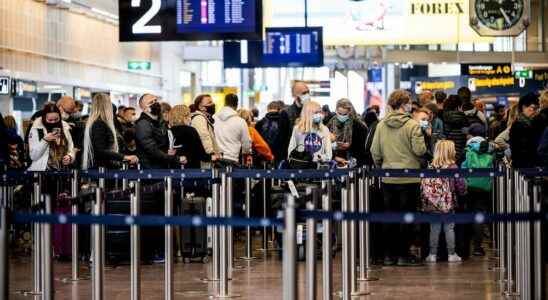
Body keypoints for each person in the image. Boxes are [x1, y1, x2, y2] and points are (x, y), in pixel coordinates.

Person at [370, 90, 427, 266]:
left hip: (388, 178)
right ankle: (403, 255)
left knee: (390, 217)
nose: (411, 105)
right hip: (409, 179)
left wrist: (383, 165)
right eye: (409, 102)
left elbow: (375, 152)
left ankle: (388, 255)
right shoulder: (412, 125)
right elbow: (420, 151)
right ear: (404, 105)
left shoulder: (380, 125)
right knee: (407, 218)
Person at [422, 140, 466, 263]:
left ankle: (432, 254)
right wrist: (463, 193)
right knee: (449, 228)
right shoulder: (453, 167)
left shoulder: (431, 166)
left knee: (434, 229)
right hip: (448, 202)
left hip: (432, 202)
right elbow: (460, 186)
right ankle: (451, 254)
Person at [81, 93, 138, 170]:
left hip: (103, 167)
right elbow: (100, 151)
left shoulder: (99, 122)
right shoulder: (99, 123)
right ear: (106, 105)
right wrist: (124, 157)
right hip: (102, 169)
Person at [462, 123, 494, 256]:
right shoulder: (490, 148)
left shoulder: (469, 147)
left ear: (472, 134)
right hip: (485, 186)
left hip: (470, 186)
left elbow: (464, 166)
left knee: (468, 214)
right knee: (479, 216)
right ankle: (477, 247)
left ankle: (465, 246)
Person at [135, 94, 186, 169]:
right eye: (151, 102)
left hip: (162, 165)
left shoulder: (159, 122)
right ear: (144, 108)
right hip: (151, 169)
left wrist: (167, 150)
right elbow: (152, 150)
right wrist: (175, 159)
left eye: (155, 100)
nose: (155, 103)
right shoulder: (143, 124)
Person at [27, 103, 75, 171]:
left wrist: (70, 157)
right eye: (50, 120)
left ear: (60, 117)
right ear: (44, 118)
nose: (53, 122)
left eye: (56, 119)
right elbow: (33, 156)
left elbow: (71, 148)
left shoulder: (65, 127)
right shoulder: (37, 129)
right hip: (42, 173)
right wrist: (45, 140)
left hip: (63, 172)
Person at [168, 105, 215, 169]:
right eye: (189, 116)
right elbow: (200, 154)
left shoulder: (169, 131)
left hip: (173, 170)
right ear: (184, 117)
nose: (190, 118)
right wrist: (213, 157)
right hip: (191, 170)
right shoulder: (190, 130)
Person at [287, 101, 332, 165]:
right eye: (316, 112)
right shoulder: (298, 129)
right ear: (308, 114)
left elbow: (329, 155)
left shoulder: (324, 130)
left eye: (320, 112)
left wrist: (319, 158)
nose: (320, 115)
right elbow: (291, 151)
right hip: (301, 167)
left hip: (318, 168)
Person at [326, 98, 367, 167]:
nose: (342, 116)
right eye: (339, 113)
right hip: (334, 161)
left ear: (349, 112)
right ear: (336, 110)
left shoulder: (358, 125)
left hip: (353, 161)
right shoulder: (330, 123)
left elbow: (362, 149)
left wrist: (349, 146)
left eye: (345, 114)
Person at [213, 93, 252, 165]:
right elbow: (246, 145)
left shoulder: (214, 118)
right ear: (237, 105)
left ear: (224, 103)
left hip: (216, 159)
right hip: (232, 160)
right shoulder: (241, 121)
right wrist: (246, 152)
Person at [256, 101, 291, 166]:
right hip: (279, 157)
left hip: (263, 157)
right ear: (279, 109)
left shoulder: (260, 123)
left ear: (268, 109)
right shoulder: (284, 123)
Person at [509, 93, 540, 168]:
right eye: (533, 108)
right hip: (523, 167)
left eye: (537, 108)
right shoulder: (518, 125)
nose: (535, 111)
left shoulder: (530, 123)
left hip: (527, 165)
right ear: (523, 107)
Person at [190, 94, 219, 167]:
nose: (213, 104)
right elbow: (204, 137)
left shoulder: (204, 118)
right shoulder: (199, 118)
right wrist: (211, 154)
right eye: (209, 103)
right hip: (205, 161)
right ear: (201, 107)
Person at [442, 95, 469, 164]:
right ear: (459, 106)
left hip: (447, 150)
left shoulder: (444, 116)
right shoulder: (464, 117)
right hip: (461, 151)